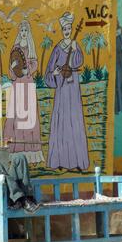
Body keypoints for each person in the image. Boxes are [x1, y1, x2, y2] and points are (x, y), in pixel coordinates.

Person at [44, 12, 90, 171]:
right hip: (62, 89)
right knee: (62, 123)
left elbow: (78, 62)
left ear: (71, 29)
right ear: (62, 29)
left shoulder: (75, 45)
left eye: (69, 28)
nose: (67, 31)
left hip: (73, 88)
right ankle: (60, 161)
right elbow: (49, 71)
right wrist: (55, 74)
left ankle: (78, 161)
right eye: (64, 28)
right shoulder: (57, 48)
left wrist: (75, 50)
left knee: (75, 122)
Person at [4, 20, 44, 165]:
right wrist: (14, 67)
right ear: (19, 33)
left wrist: (28, 70)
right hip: (17, 84)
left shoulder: (31, 49)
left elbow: (34, 64)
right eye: (21, 31)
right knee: (15, 116)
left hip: (27, 84)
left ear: (28, 33)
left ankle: (30, 152)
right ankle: (15, 149)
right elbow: (12, 71)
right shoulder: (15, 48)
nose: (23, 33)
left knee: (28, 116)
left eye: (26, 31)